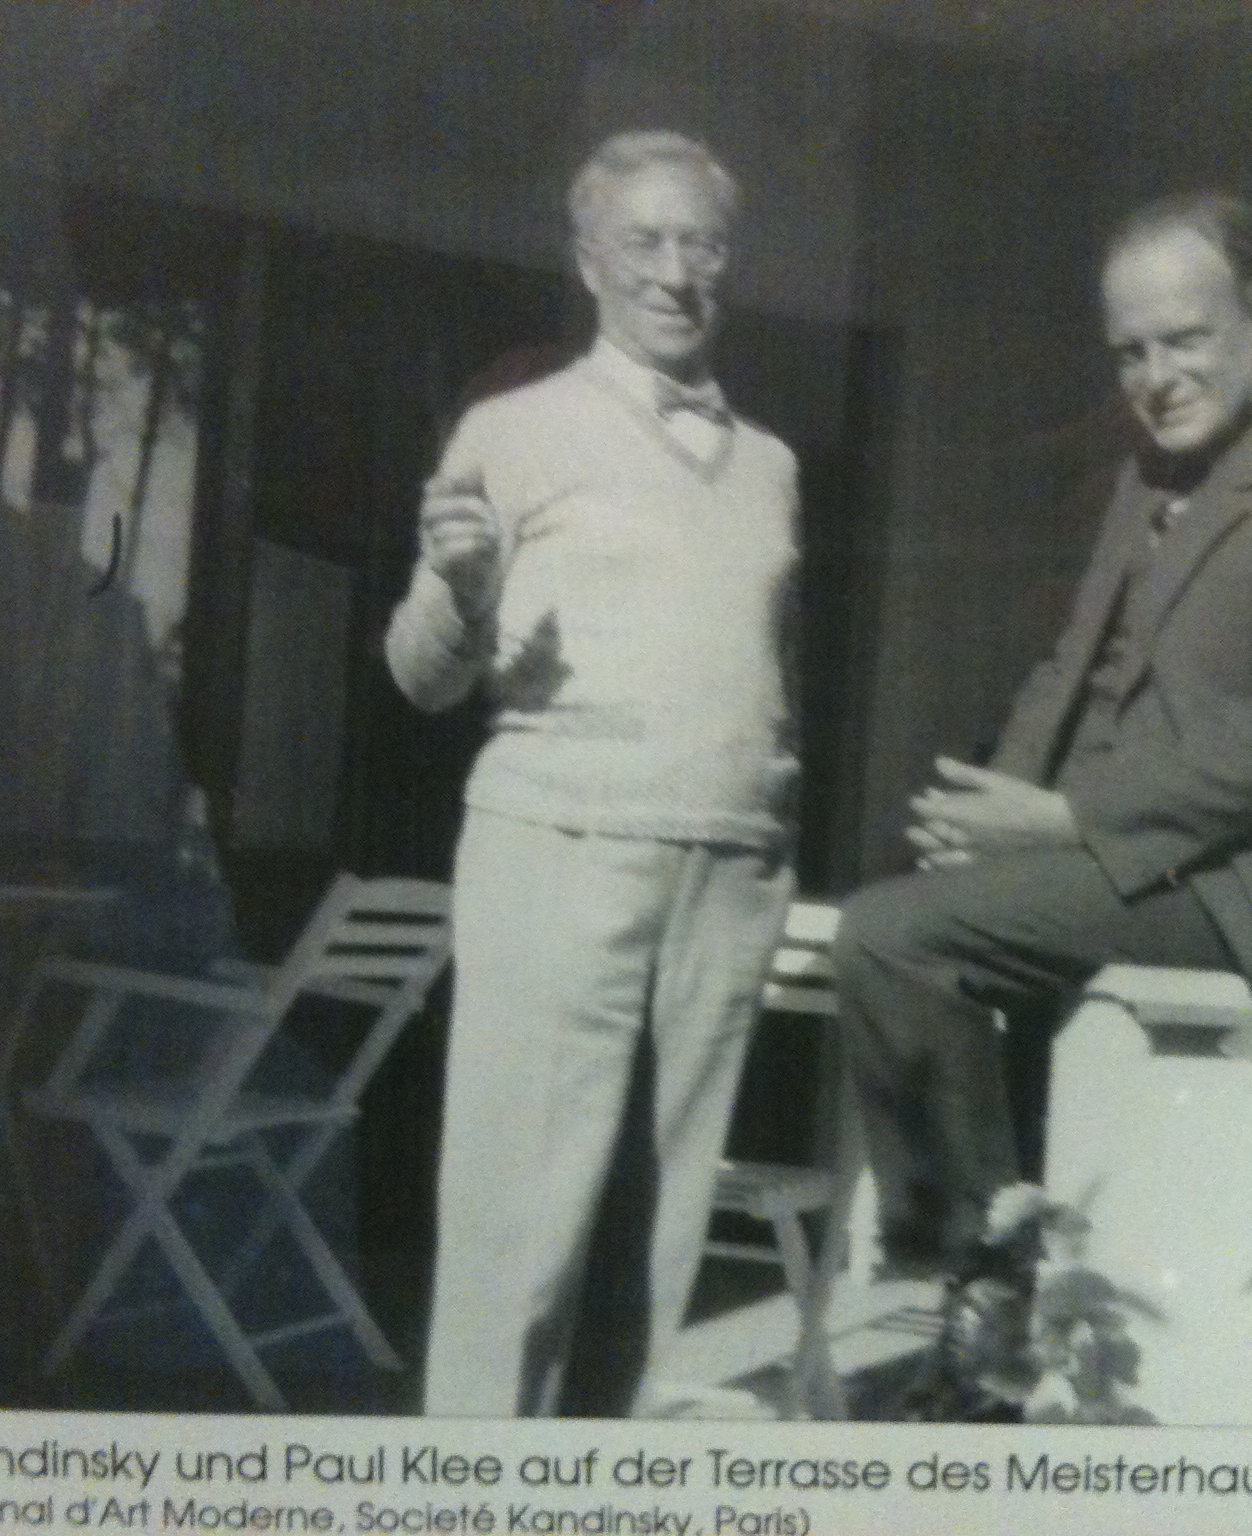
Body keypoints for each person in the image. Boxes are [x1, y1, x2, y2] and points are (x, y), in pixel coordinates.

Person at [833, 190, 1252, 1279]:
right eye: (1129, 352)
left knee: (891, 937)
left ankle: (975, 1269)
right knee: (923, 927)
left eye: (1184, 340)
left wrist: (1064, 817)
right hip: (1130, 865)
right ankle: (1002, 1274)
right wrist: (986, 819)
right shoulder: (1152, 475)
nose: (1154, 377)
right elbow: (1079, 668)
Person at [385, 131, 798, 1417]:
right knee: (520, 1231)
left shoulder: (772, 464)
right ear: (587, 262)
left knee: (653, 1252)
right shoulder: (512, 429)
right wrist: (460, 588)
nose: (675, 271)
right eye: (644, 241)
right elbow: (420, 676)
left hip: (727, 865)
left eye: (701, 243)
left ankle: (605, 1488)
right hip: (561, 850)